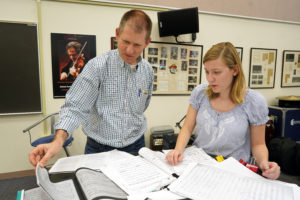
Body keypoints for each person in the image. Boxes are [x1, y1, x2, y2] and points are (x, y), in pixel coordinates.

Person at [29, 9, 153, 168]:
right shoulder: (97, 66)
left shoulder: (148, 71)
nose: (130, 50)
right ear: (117, 33)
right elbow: (75, 107)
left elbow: (143, 106)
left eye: (137, 45)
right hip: (100, 148)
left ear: (147, 43)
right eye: (125, 41)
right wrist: (57, 141)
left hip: (136, 145)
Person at [166, 42, 280, 180]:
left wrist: (264, 164)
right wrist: (178, 150)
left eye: (216, 72)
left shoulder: (254, 101)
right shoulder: (200, 93)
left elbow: (258, 144)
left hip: (234, 172)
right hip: (200, 166)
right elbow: (187, 128)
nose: (209, 78)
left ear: (235, 70)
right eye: (207, 72)